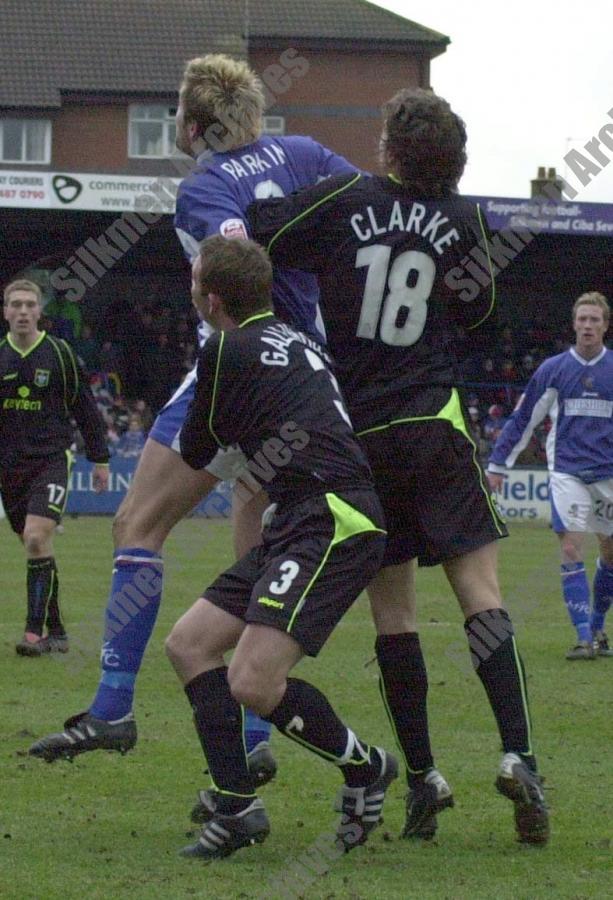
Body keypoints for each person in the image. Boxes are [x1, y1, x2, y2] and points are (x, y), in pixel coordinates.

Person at [28, 53, 356, 777]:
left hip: (237, 367)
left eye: (178, 113)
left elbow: (243, 274)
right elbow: (356, 206)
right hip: (305, 377)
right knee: (251, 551)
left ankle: (113, 708)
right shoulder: (305, 154)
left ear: (197, 123)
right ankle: (253, 732)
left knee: (136, 524)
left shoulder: (206, 186)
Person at [249, 87, 549, 845]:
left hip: (363, 434)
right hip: (434, 423)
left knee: (395, 615)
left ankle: (421, 776)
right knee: (480, 596)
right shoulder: (463, 219)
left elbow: (261, 232)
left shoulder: (346, 197)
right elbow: (478, 316)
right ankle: (518, 754)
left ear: (388, 146)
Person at [163, 236, 394, 861]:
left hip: (330, 516)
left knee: (253, 679)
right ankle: (236, 806)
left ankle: (367, 767)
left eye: (193, 283)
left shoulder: (224, 349)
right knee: (189, 645)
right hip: (301, 513)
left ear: (211, 300)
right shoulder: (298, 339)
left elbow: (194, 449)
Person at [487, 292, 613, 660]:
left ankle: (598, 624)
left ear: (605, 325)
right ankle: (582, 637)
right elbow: (523, 419)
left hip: (608, 475)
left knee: (609, 554)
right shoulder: (554, 369)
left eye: (595, 320)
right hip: (567, 474)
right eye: (582, 319)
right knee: (572, 547)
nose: (587, 326)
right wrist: (497, 466)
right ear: (574, 324)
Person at [0, 279, 109, 655]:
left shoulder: (60, 354)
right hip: (8, 469)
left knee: (35, 537)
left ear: (40, 311)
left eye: (30, 304)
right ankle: (58, 629)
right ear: (6, 312)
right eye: (16, 305)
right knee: (37, 546)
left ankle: (34, 634)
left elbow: (87, 409)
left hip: (50, 461)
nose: (24, 312)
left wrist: (100, 458)